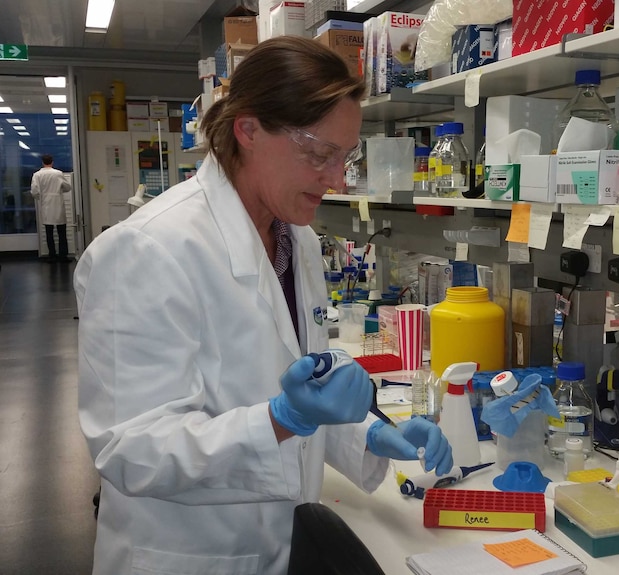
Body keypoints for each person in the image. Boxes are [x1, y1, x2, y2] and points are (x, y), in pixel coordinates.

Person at [74, 36, 453, 575]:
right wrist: (282, 418)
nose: (337, 179)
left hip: (277, 542)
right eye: (319, 154)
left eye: (345, 157)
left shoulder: (293, 238)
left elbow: (297, 392)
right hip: (188, 555)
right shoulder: (147, 251)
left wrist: (368, 433)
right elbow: (131, 449)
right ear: (247, 130)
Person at [30, 153, 72, 261]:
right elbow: (67, 187)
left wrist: (40, 197)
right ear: (52, 162)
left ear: (43, 162)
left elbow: (34, 191)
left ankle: (52, 256)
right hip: (58, 203)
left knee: (49, 232)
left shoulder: (37, 175)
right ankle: (63, 256)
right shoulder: (58, 173)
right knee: (62, 232)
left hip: (46, 204)